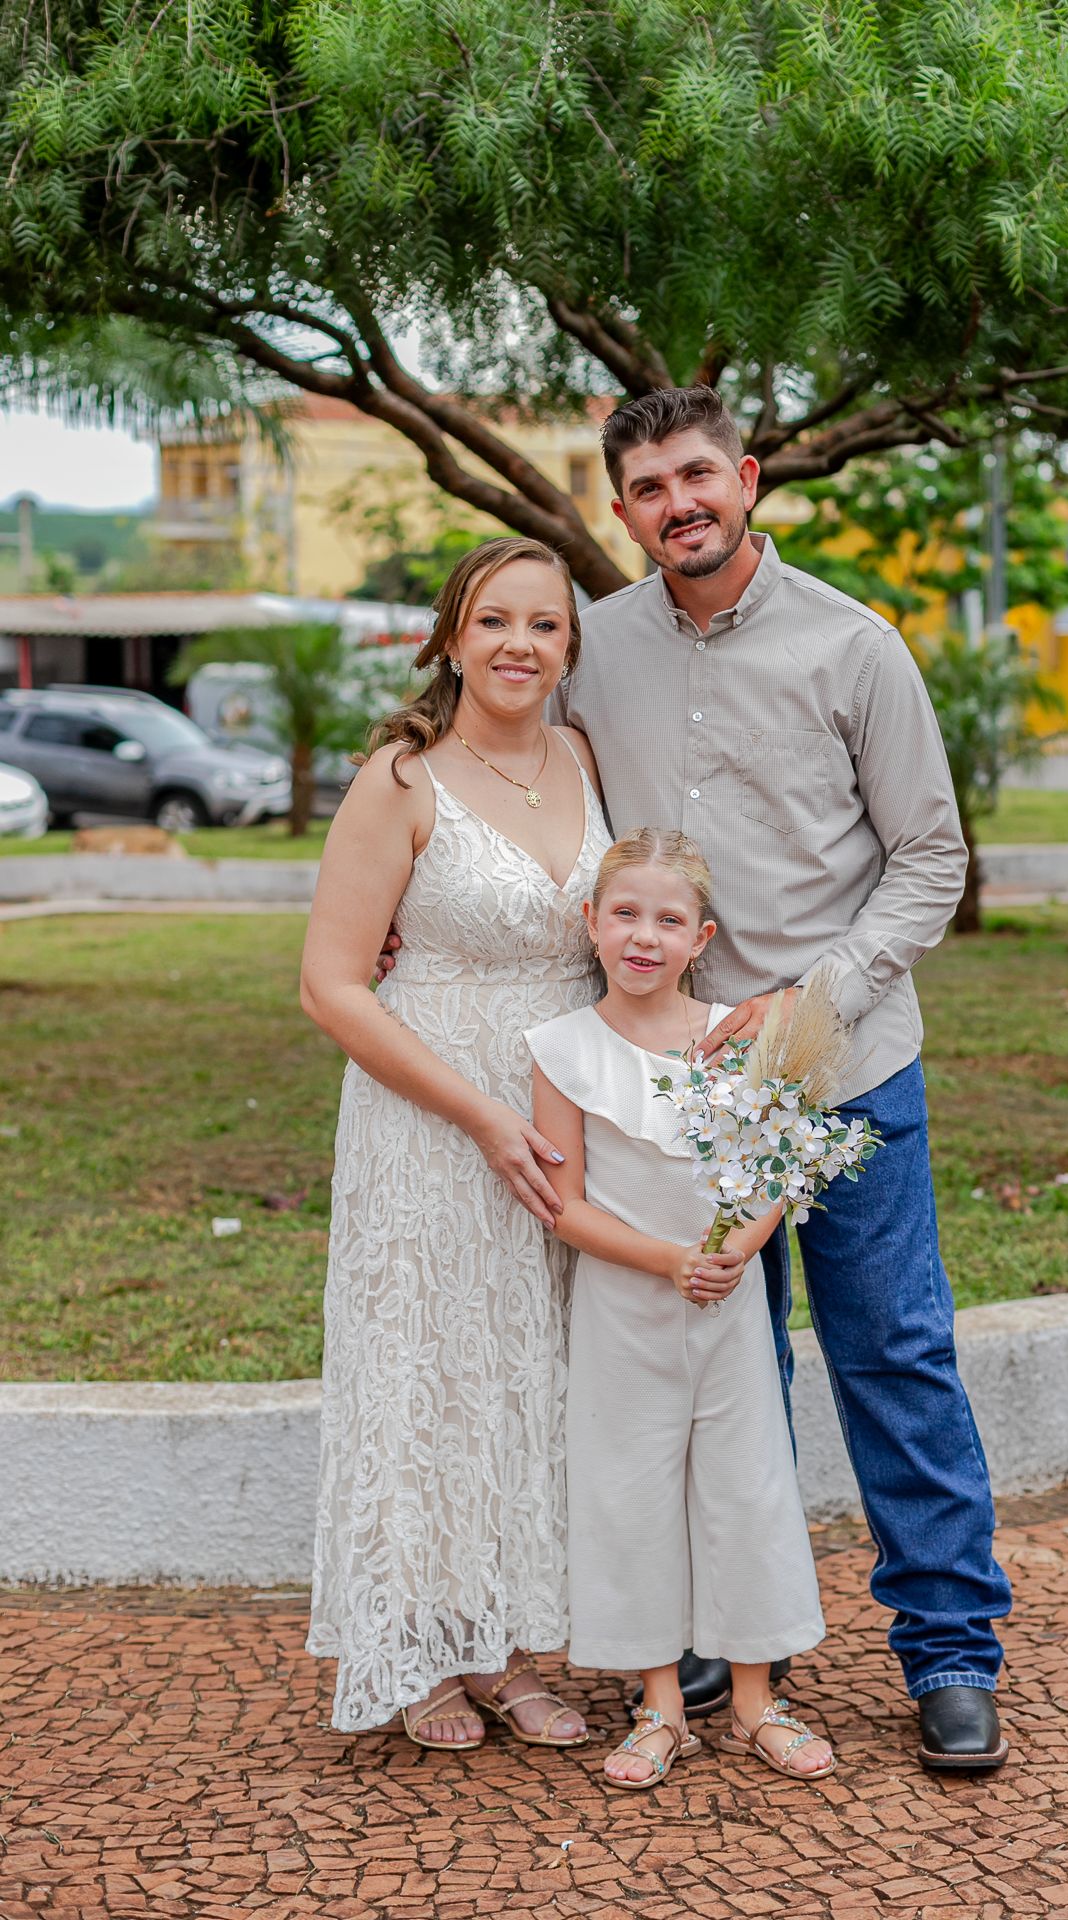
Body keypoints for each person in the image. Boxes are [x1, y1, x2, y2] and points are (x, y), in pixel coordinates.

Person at [553, 386, 1012, 1771]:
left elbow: (931, 858)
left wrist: (809, 1007)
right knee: (714, 1367)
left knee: (895, 1355)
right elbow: (524, 787)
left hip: (847, 1066)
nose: (677, 502)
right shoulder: (596, 649)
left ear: (744, 479)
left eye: (699, 475)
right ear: (621, 507)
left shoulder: (853, 645)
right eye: (647, 486)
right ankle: (710, 1637)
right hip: (678, 1098)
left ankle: (949, 1653)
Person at [300, 535, 613, 1748]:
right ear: (449, 636)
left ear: (568, 646)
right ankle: (418, 1649)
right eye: (493, 622)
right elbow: (333, 984)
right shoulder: (400, 777)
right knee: (424, 1371)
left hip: (563, 1110)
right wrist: (479, 1114)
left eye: (543, 625)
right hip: (432, 1116)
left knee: (534, 1374)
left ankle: (517, 1647)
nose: (518, 646)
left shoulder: (587, 757)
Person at [526, 828, 834, 1789]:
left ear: (702, 938)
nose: (644, 937)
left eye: (668, 920)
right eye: (625, 914)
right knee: (631, 1490)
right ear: (591, 924)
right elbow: (566, 1204)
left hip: (728, 1303)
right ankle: (660, 1702)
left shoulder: (736, 1034)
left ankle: (756, 1701)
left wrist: (740, 1246)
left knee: (745, 1484)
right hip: (624, 1302)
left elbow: (782, 1157)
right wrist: (668, 1260)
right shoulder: (562, 1048)